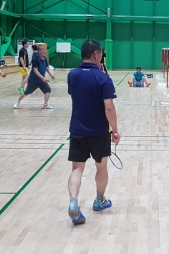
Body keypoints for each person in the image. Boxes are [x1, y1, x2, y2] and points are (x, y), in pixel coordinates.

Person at [66, 40, 119, 225]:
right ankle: (99, 200)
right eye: (101, 54)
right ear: (96, 54)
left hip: (77, 129)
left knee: (77, 169)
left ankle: (73, 202)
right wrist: (115, 130)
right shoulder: (103, 79)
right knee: (101, 167)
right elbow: (109, 106)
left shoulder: (72, 75)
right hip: (99, 131)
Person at [13, 44, 55, 109]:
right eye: (43, 50)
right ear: (39, 51)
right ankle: (18, 102)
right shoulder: (35, 59)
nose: (45, 51)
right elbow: (35, 70)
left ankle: (45, 104)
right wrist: (42, 77)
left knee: (48, 90)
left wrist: (51, 75)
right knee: (27, 92)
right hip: (34, 80)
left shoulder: (44, 59)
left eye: (45, 50)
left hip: (41, 81)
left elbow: (46, 68)